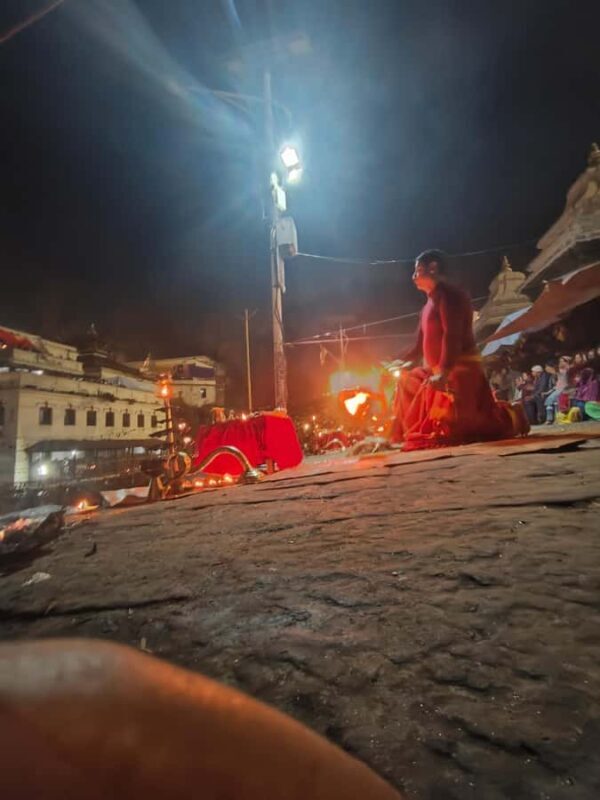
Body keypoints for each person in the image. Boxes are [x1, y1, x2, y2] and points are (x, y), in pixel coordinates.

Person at [391, 250, 528, 449]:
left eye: (418, 271)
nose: (413, 277)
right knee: (407, 380)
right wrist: (401, 361)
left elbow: (452, 334)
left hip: (460, 369)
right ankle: (404, 431)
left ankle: (512, 416)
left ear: (433, 268)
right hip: (436, 372)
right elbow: (419, 344)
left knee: (464, 428)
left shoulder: (451, 296)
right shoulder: (427, 307)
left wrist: (445, 371)